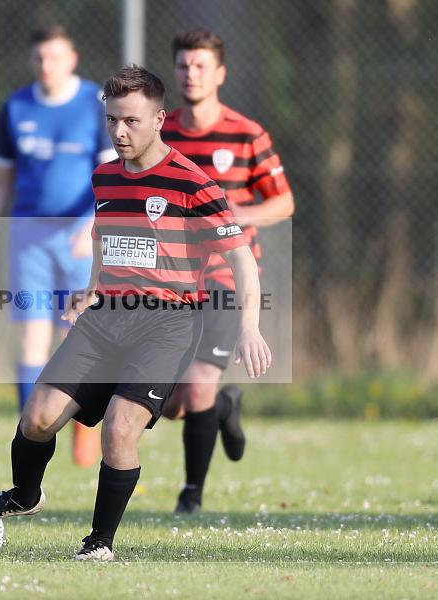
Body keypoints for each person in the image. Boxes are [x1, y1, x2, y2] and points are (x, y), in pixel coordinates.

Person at [0, 65, 272, 561]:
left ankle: (99, 544)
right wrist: (91, 290)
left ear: (159, 119)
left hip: (168, 324)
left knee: (119, 428)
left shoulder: (192, 183)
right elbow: (106, 240)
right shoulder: (105, 176)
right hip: (105, 319)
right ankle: (25, 496)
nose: (119, 131)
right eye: (112, 120)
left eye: (132, 121)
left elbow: (242, 258)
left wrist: (249, 326)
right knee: (36, 419)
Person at [160, 29, 295, 513]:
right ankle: (223, 407)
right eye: (182, 66)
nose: (190, 74)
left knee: (197, 384)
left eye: (199, 66)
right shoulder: (160, 132)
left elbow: (284, 202)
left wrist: (236, 216)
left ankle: (191, 495)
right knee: (173, 403)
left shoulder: (246, 133)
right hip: (171, 280)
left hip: (226, 276)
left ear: (219, 73)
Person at [0, 26, 115, 467]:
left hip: (79, 235)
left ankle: (82, 428)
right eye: (39, 58)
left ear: (72, 58)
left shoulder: (95, 105)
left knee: (77, 334)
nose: (46, 65)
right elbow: (0, 182)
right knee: (32, 334)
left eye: (54, 57)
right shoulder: (15, 107)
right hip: (28, 234)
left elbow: (109, 177)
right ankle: (30, 433)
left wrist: (91, 224)